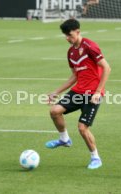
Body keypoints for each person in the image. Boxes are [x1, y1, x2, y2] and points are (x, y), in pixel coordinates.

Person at [45, 19, 111, 170]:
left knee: (82, 128)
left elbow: (107, 68)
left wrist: (98, 91)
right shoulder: (71, 52)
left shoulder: (90, 46)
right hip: (78, 91)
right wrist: (56, 92)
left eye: (69, 35)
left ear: (78, 32)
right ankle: (64, 139)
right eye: (65, 35)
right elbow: (74, 76)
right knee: (54, 111)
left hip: (92, 93)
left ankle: (96, 158)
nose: (67, 38)